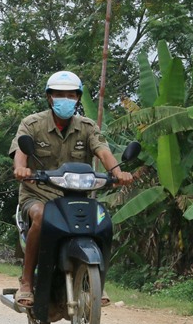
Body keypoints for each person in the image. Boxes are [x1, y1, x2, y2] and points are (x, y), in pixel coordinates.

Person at [9, 70, 133, 307]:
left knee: (102, 222)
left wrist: (118, 173)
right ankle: (26, 282)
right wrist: (21, 169)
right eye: (59, 94)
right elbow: (21, 153)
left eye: (70, 95)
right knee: (41, 217)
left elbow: (103, 151)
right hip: (39, 194)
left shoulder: (87, 127)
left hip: (75, 197)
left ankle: (97, 280)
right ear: (49, 97)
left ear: (78, 98)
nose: (64, 99)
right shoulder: (32, 124)